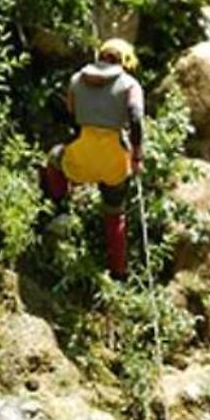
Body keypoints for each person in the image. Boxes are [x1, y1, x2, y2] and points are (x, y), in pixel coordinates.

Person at [39, 37, 144, 281]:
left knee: (55, 158)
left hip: (81, 159)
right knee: (114, 213)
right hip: (115, 164)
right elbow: (136, 119)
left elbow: (72, 114)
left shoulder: (76, 80)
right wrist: (137, 155)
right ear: (126, 61)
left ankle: (58, 207)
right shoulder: (131, 86)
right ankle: (118, 271)